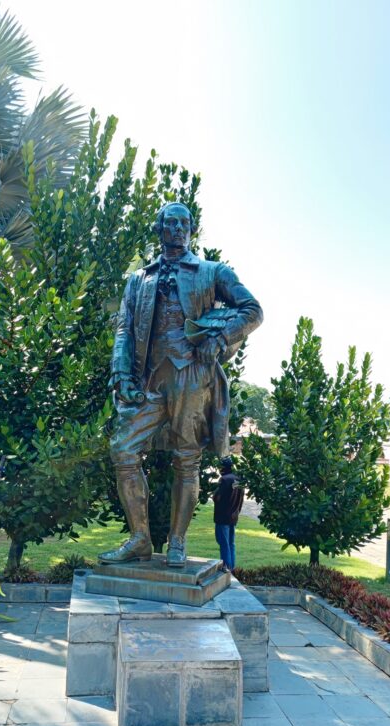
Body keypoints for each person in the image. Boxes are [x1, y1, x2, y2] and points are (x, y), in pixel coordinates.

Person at [103, 201, 261, 565]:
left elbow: (252, 310)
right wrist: (121, 373)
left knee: (186, 461)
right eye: (170, 223)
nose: (177, 228)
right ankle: (140, 538)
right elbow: (125, 328)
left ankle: (177, 541)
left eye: (184, 223)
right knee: (123, 450)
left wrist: (220, 339)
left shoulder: (212, 271)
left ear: (192, 230)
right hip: (149, 378)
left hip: (192, 376)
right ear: (159, 229)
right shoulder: (138, 279)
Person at [211, 467, 243, 572]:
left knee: (223, 542)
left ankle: (226, 566)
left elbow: (218, 497)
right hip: (233, 516)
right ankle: (232, 566)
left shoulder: (224, 479)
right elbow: (241, 499)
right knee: (231, 543)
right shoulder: (238, 479)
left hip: (222, 516)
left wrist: (214, 494)